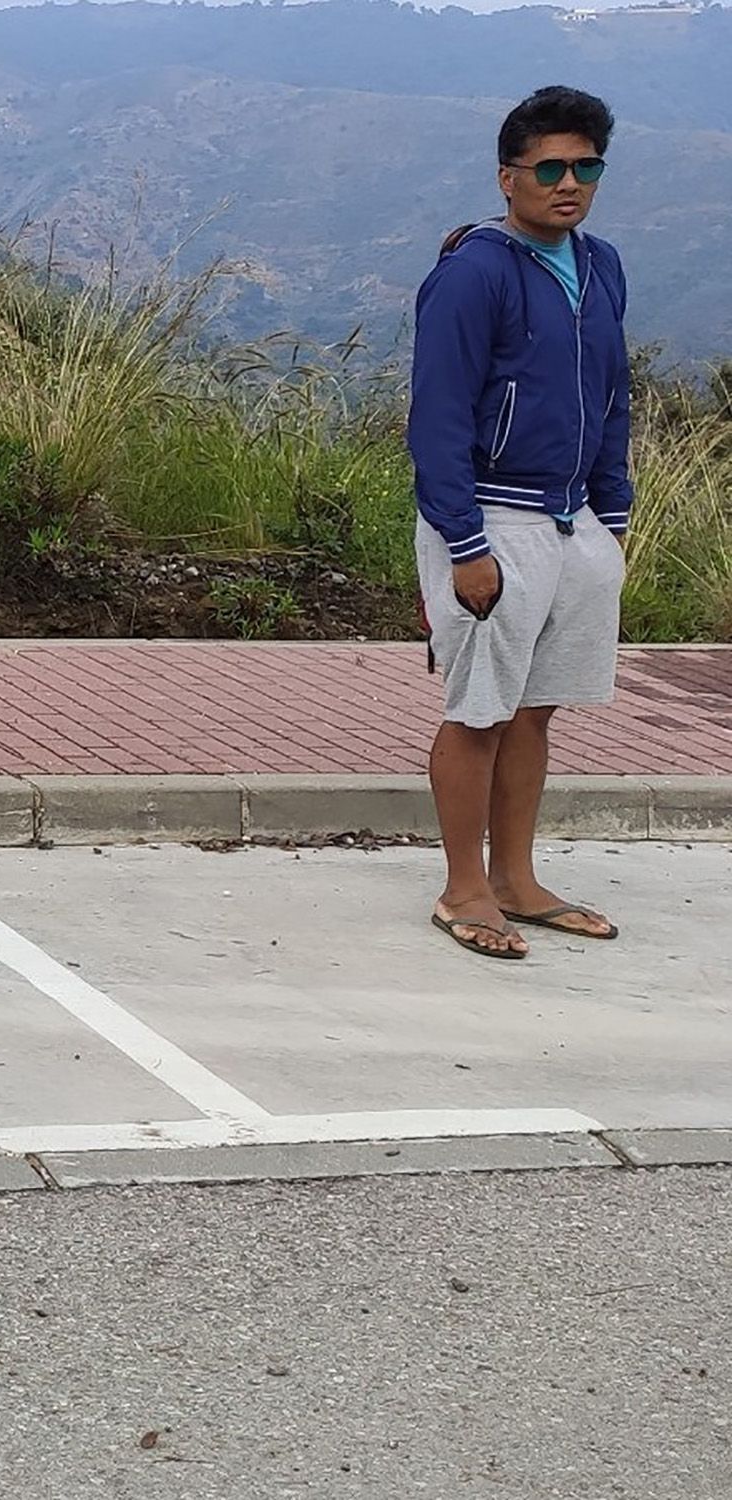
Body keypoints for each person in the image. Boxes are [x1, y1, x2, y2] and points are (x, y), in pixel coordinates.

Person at [405, 84, 632, 959]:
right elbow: (439, 418)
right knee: (479, 712)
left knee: (536, 712)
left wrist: (611, 518)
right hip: (492, 519)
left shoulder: (603, 263)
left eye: (586, 166)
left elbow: (612, 396)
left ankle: (518, 880)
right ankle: (463, 887)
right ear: (509, 177)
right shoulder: (474, 271)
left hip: (573, 521)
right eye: (549, 168)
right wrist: (465, 543)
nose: (568, 182)